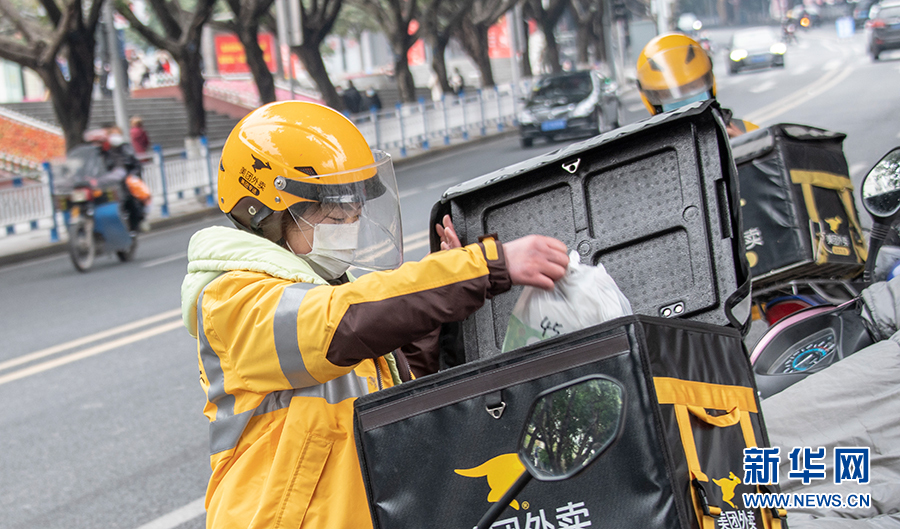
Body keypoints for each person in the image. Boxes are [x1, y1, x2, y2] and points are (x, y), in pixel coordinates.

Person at [179, 101, 569, 529]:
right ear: (266, 214)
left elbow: (394, 401)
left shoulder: (329, 286)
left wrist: (436, 310)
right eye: (335, 216)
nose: (349, 228)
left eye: (355, 215)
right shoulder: (232, 301)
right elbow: (337, 327)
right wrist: (478, 269)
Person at [635, 33, 758, 138]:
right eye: (667, 94)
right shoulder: (643, 152)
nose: (684, 98)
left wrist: (744, 147)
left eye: (692, 87)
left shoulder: (748, 131)